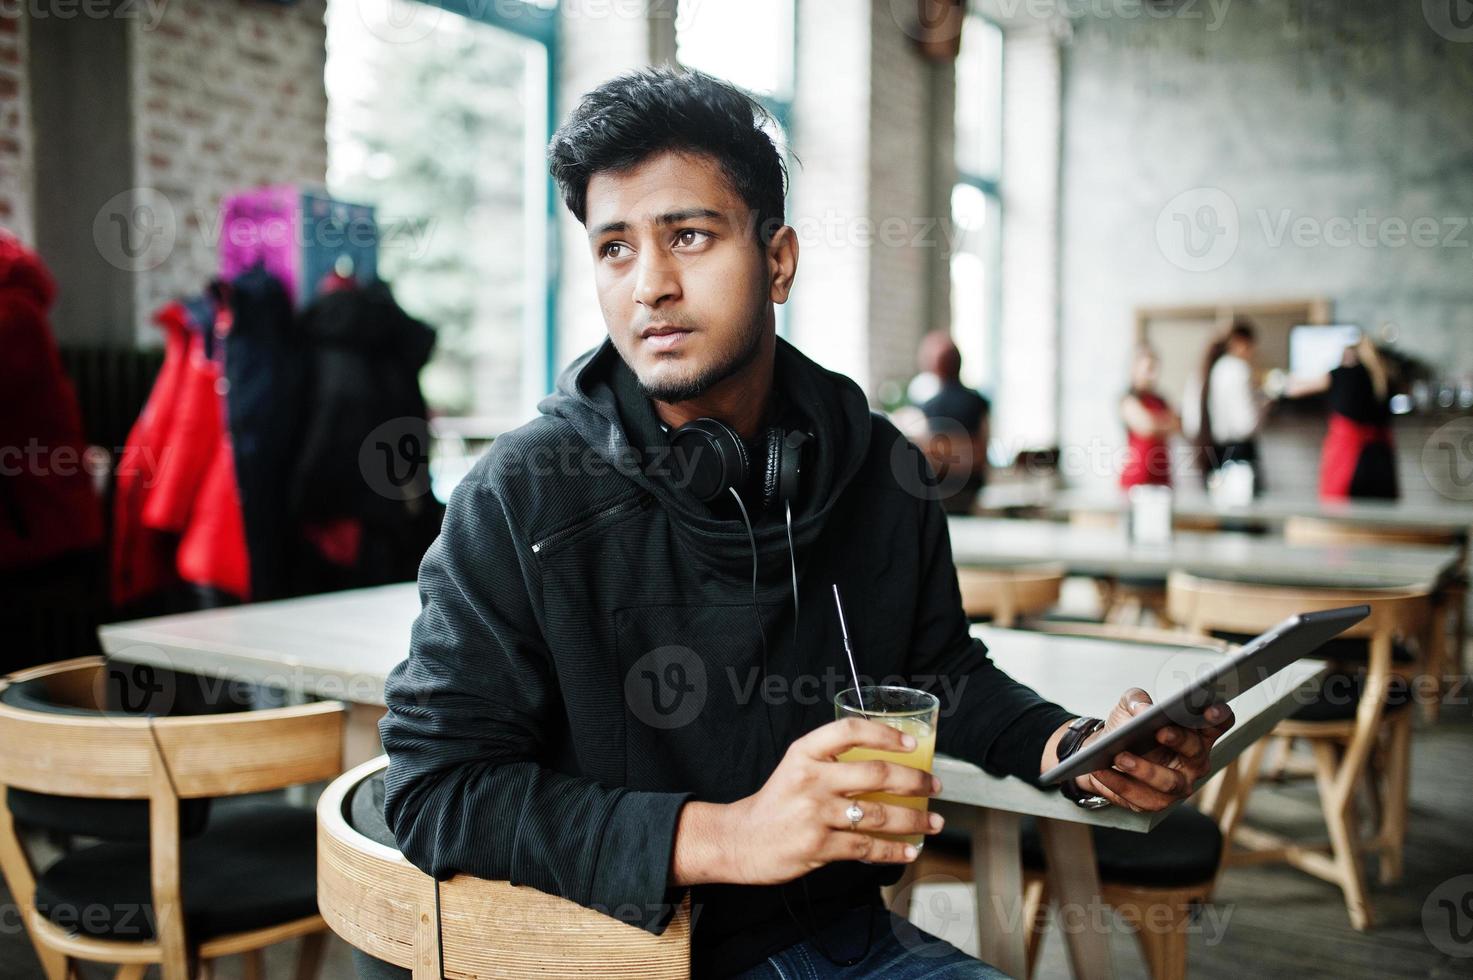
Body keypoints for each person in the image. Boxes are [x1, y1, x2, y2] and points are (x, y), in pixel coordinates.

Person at [377, 67, 1233, 980]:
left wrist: (1076, 751)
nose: (649, 287)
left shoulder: (878, 465)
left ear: (777, 259)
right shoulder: (520, 495)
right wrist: (727, 837)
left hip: (844, 938)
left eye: (690, 237)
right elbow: (435, 792)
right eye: (614, 248)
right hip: (619, 960)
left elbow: (933, 672)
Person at [1279, 335, 1398, 500]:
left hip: (1351, 458)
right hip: (1380, 458)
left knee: (1343, 516)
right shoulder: (1384, 377)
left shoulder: (1342, 374)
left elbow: (1295, 389)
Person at [1183, 318, 1265, 492]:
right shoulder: (1237, 369)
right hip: (1237, 456)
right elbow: (1246, 425)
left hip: (1208, 454)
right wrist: (1264, 405)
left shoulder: (1201, 372)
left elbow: (1190, 423)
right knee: (1243, 516)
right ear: (1239, 343)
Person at [913, 331, 990, 514]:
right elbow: (983, 449)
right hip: (971, 488)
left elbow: (927, 455)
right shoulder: (978, 402)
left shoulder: (928, 407)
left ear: (934, 367)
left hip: (939, 491)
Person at [1119, 344, 1179, 491]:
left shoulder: (1162, 400)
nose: (1152, 374)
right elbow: (1147, 428)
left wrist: (1155, 423)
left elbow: (1177, 425)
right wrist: (1163, 423)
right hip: (1137, 476)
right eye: (1148, 369)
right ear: (1134, 369)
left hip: (1161, 474)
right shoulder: (1128, 399)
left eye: (1154, 368)